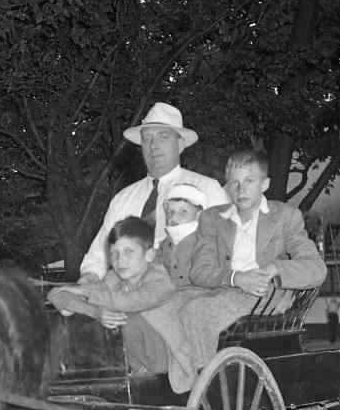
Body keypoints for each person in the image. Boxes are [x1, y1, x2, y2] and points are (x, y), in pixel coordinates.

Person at [140, 148, 327, 392]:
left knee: (196, 312)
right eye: (234, 183)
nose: (241, 190)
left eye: (249, 181)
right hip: (224, 287)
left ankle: (203, 390)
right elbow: (200, 271)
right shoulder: (213, 218)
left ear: (265, 184)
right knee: (155, 304)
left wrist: (274, 268)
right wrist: (235, 278)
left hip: (263, 294)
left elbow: (316, 268)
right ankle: (170, 377)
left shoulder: (285, 217)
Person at [78, 102, 228, 282]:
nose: (153, 146)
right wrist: (90, 276)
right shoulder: (123, 198)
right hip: (130, 298)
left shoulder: (208, 189)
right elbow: (100, 254)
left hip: (187, 294)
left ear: (180, 145)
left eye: (162, 137)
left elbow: (228, 247)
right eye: (147, 138)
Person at [48, 216, 174, 321]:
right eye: (114, 253)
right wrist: (93, 311)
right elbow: (55, 296)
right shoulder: (115, 277)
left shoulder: (162, 281)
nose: (120, 260)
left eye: (128, 252)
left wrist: (83, 291)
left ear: (149, 255)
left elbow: (125, 302)